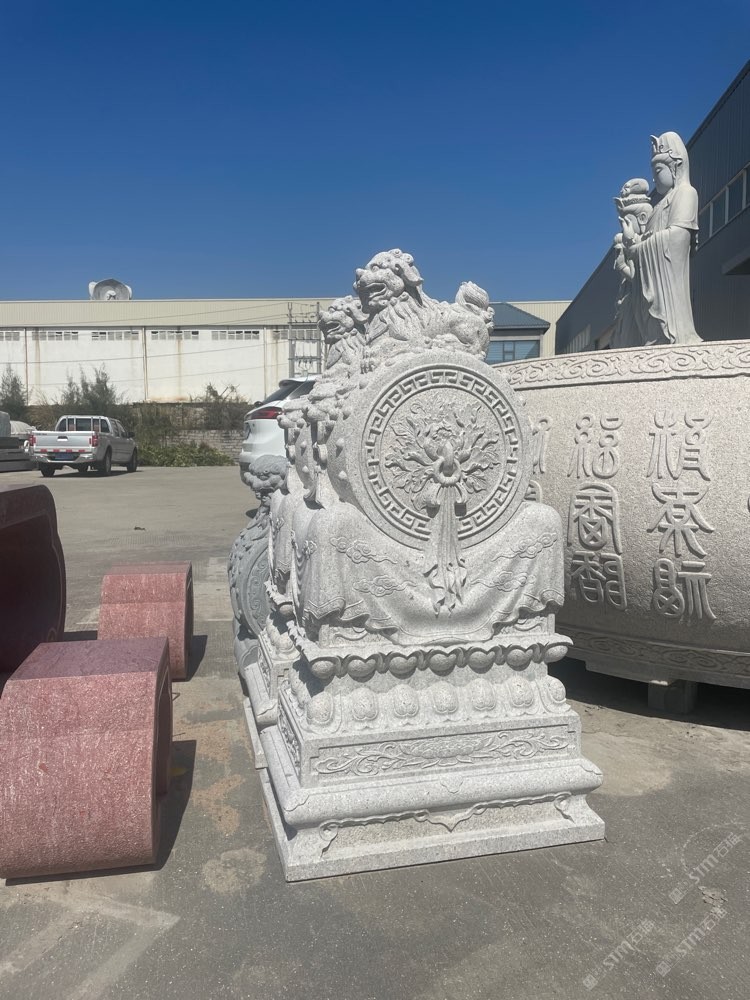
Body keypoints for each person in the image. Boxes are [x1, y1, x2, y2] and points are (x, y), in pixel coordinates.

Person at [613, 132, 701, 346]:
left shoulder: (686, 193)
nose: (654, 178)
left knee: (669, 335)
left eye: (658, 170)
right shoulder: (658, 206)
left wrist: (639, 247)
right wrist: (633, 244)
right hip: (651, 293)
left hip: (669, 292)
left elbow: (678, 239)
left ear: (676, 166)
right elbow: (646, 247)